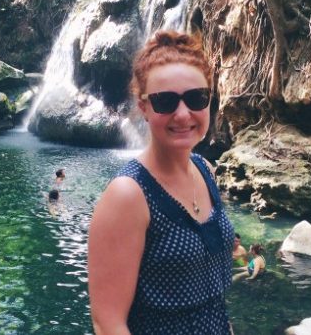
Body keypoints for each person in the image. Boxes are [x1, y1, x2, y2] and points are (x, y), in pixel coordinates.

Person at [88, 30, 234, 334]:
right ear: (143, 107)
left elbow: (214, 302)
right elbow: (108, 324)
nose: (183, 114)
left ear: (209, 100)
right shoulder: (128, 195)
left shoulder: (204, 170)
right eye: (165, 102)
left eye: (196, 98)